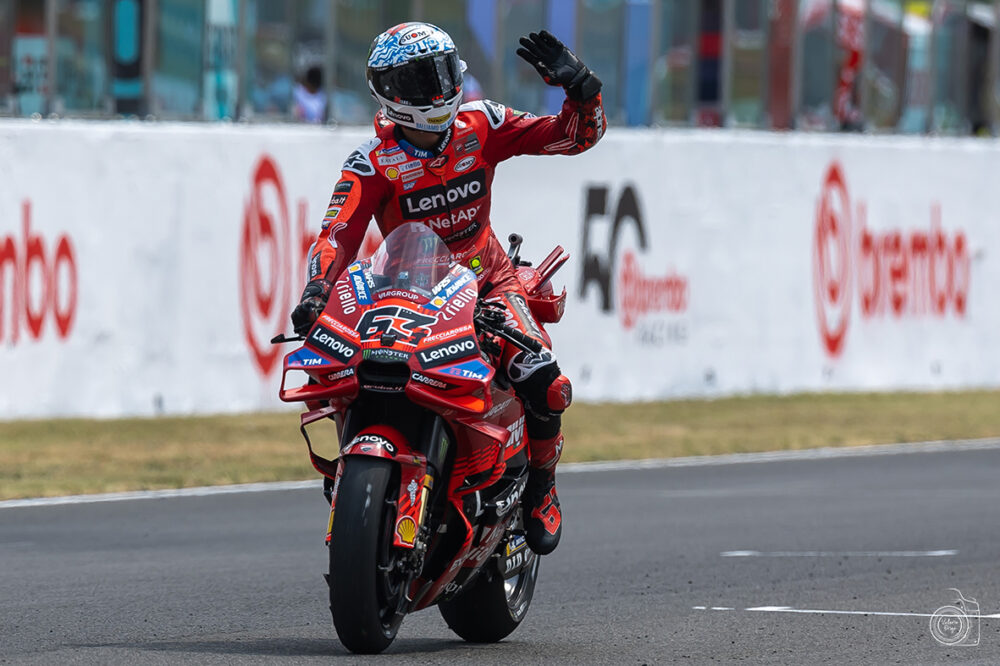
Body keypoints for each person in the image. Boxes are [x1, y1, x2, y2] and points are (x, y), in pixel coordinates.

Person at [290, 22, 605, 555]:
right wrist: (317, 291)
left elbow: (574, 136)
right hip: (405, 293)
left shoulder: (483, 124)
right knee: (348, 373)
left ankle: (542, 488)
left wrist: (582, 90)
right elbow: (335, 236)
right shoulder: (370, 163)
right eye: (418, 78)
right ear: (389, 92)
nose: (436, 90)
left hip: (488, 285)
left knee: (545, 380)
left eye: (441, 72)